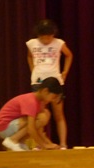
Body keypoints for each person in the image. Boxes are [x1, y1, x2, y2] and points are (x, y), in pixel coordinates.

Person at [27, 19, 73, 149]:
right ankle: (40, 143)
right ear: (38, 35)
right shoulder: (32, 43)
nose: (46, 40)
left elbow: (69, 55)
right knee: (39, 115)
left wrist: (65, 71)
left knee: (59, 114)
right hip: (38, 82)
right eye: (43, 37)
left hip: (55, 81)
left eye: (49, 37)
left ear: (53, 35)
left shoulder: (59, 43)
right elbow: (29, 56)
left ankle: (63, 143)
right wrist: (33, 70)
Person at [0, 77, 62, 151]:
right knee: (42, 117)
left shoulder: (40, 103)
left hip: (12, 126)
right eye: (53, 97)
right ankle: (13, 140)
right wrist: (44, 145)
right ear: (45, 91)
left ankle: (20, 142)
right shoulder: (31, 101)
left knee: (45, 114)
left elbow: (39, 130)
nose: (52, 100)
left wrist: (50, 144)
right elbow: (31, 128)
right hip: (4, 127)